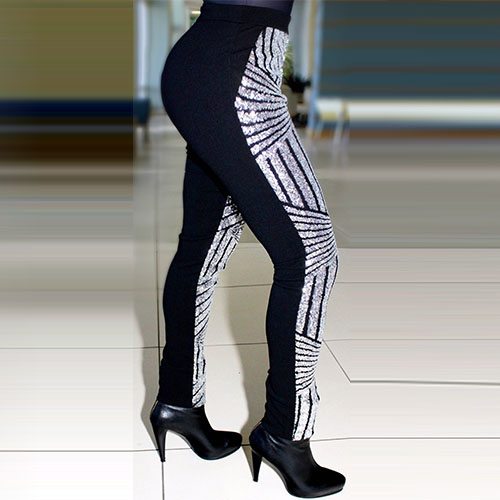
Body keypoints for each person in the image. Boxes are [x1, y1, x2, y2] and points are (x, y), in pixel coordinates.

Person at [150, 0, 346, 496]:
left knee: (203, 244)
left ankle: (178, 401)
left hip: (205, 59)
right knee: (311, 255)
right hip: (237, 75)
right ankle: (285, 432)